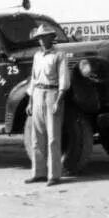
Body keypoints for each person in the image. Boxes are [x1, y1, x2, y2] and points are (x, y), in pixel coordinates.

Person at [25, 24, 70, 187]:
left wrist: (58, 100)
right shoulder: (37, 56)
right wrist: (30, 101)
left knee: (53, 138)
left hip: (52, 95)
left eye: (44, 37)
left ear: (51, 38)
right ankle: (38, 173)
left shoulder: (59, 55)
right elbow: (33, 78)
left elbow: (64, 80)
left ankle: (54, 175)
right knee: (36, 137)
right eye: (39, 38)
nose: (42, 40)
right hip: (37, 95)